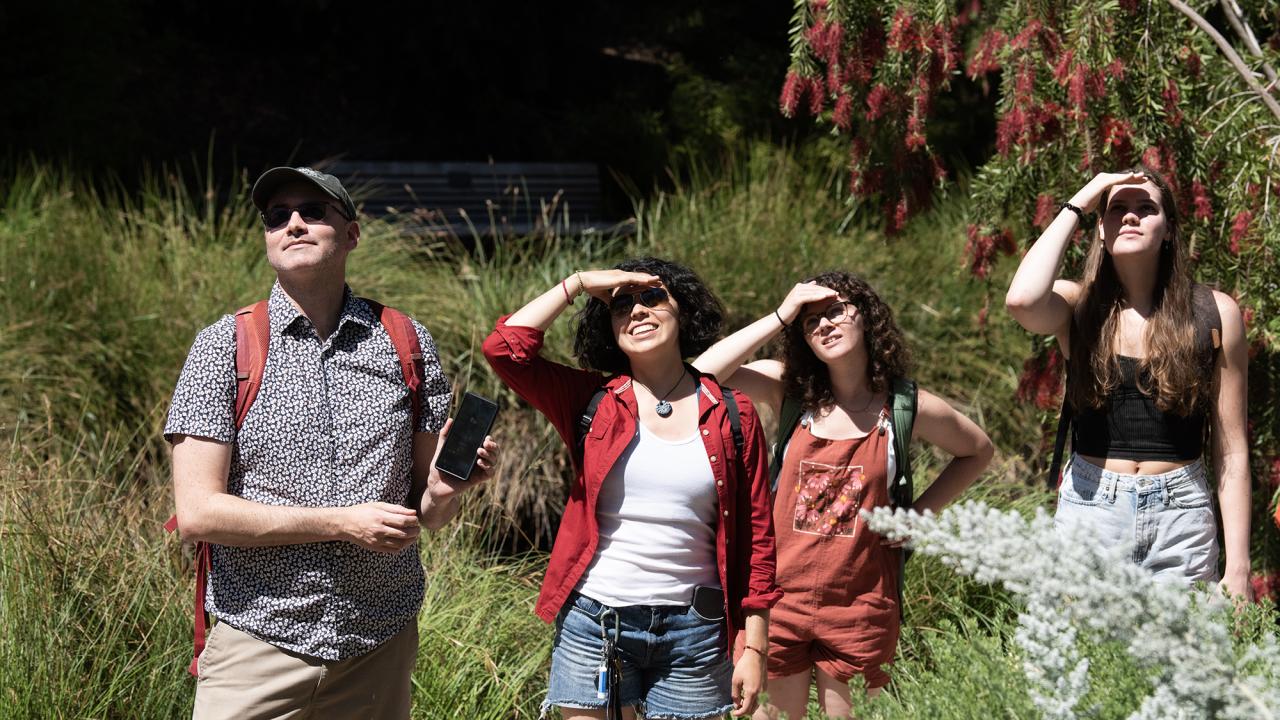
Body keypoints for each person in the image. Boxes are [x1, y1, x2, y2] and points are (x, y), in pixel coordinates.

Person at [166, 166, 498, 720]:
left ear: (351, 234)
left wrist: (444, 490)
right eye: (277, 217)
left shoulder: (406, 341)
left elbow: (428, 513)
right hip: (257, 645)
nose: (293, 224)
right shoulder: (224, 346)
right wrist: (340, 522)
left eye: (313, 213)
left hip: (378, 646)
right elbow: (198, 512)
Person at [482, 257, 781, 720]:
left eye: (653, 297)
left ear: (683, 310)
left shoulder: (733, 413)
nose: (637, 311)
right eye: (622, 305)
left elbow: (759, 537)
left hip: (696, 630)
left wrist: (755, 647)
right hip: (595, 620)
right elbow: (504, 349)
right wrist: (579, 283)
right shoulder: (592, 401)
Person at [693, 271, 993, 720]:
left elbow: (977, 451)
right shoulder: (789, 391)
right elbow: (701, 373)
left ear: (868, 318)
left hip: (861, 606)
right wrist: (781, 314)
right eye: (810, 321)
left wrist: (918, 516)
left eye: (835, 310)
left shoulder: (905, 407)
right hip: (776, 604)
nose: (824, 325)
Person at [1005, 167, 1252, 599]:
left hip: (1182, 516)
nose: (1131, 217)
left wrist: (1239, 567)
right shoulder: (1076, 304)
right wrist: (1083, 200)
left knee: (1181, 663)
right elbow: (1022, 300)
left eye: (1146, 208)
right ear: (1101, 228)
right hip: (1092, 510)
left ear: (1170, 229)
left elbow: (1231, 450)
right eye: (1117, 208)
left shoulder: (1215, 313)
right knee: (1083, 660)